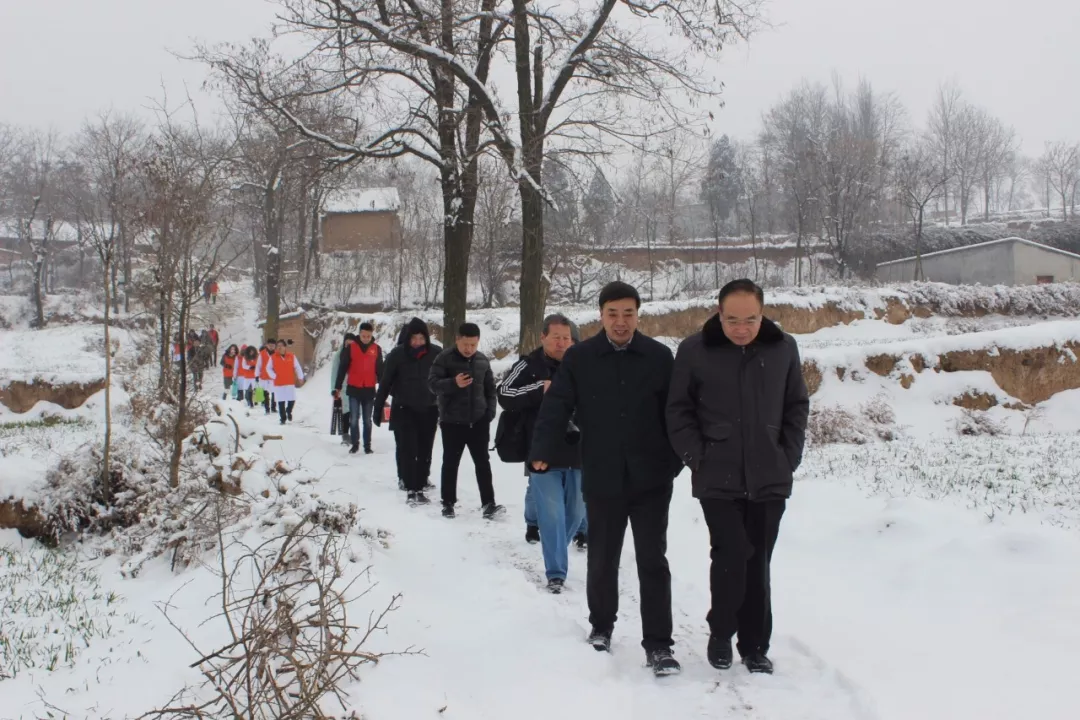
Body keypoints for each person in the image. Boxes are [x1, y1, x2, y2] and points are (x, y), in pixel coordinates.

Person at [530, 281, 683, 676]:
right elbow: (557, 405)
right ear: (600, 315)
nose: (620, 321)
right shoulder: (580, 358)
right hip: (602, 474)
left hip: (651, 479)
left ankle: (659, 645)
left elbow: (677, 413)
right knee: (602, 557)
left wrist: (674, 461)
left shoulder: (659, 356)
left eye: (628, 313)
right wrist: (542, 451)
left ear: (638, 315)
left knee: (653, 560)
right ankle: (601, 627)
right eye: (613, 313)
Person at [666, 279, 809, 675]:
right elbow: (678, 411)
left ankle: (755, 645)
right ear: (718, 313)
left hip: (769, 475)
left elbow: (796, 405)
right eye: (732, 320)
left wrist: (787, 456)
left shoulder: (783, 348)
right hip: (718, 475)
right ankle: (721, 631)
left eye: (750, 320)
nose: (741, 328)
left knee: (758, 559)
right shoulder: (695, 351)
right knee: (731, 552)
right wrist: (699, 457)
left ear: (763, 314)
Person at [498, 314, 585, 594]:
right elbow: (504, 394)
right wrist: (539, 389)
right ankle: (556, 572)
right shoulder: (529, 364)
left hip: (579, 449)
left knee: (574, 512)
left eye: (566, 338)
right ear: (543, 337)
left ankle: (555, 543)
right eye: (556, 337)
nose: (562, 343)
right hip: (541, 450)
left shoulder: (582, 363)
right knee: (552, 514)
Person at [428, 322, 503, 520]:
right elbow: (432, 384)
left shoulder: (482, 361)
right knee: (451, 463)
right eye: (465, 344)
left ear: (478, 342)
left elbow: (490, 390)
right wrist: (453, 383)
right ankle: (448, 503)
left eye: (473, 344)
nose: (469, 349)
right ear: (457, 340)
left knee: (483, 463)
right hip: (452, 422)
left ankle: (489, 503)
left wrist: (490, 413)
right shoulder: (444, 358)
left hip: (478, 421)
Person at [374, 318, 441, 505]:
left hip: (429, 408)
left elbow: (446, 381)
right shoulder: (397, 355)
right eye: (414, 338)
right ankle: (411, 489)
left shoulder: (436, 354)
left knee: (425, 450)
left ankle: (420, 484)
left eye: (421, 338)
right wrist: (378, 407)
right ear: (408, 338)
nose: (418, 342)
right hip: (404, 408)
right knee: (409, 449)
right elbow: (385, 383)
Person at [334, 322, 384, 455]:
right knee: (354, 418)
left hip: (369, 389)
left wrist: (383, 387)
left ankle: (367, 446)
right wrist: (337, 387)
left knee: (367, 420)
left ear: (372, 335)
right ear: (359, 334)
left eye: (368, 336)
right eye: (364, 336)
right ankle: (355, 444)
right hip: (354, 389)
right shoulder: (351, 348)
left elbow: (380, 370)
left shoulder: (376, 349)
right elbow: (342, 368)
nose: (366, 338)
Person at [267, 340, 305, 424]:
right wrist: (274, 376)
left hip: (289, 382)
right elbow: (268, 368)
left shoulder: (291, 356)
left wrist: (300, 377)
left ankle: (289, 411)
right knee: (281, 401)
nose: (279, 347)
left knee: (292, 400)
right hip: (279, 383)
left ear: (285, 347)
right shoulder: (273, 357)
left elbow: (297, 367)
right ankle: (283, 419)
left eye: (281, 345)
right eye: (278, 346)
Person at [330, 334, 357, 446]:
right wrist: (334, 388)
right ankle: (345, 435)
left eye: (351, 343)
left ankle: (354, 434)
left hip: (356, 387)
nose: (349, 345)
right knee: (346, 411)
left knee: (354, 413)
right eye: (347, 343)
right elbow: (334, 372)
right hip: (343, 387)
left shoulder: (357, 355)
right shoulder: (339, 355)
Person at [255, 339, 278, 414]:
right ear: (266, 345)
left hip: (273, 377)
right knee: (265, 393)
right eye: (270, 345)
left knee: (274, 392)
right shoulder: (262, 354)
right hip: (264, 376)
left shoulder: (277, 354)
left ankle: (273, 407)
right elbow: (258, 365)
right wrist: (257, 375)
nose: (271, 347)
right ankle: (267, 408)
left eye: (273, 346)